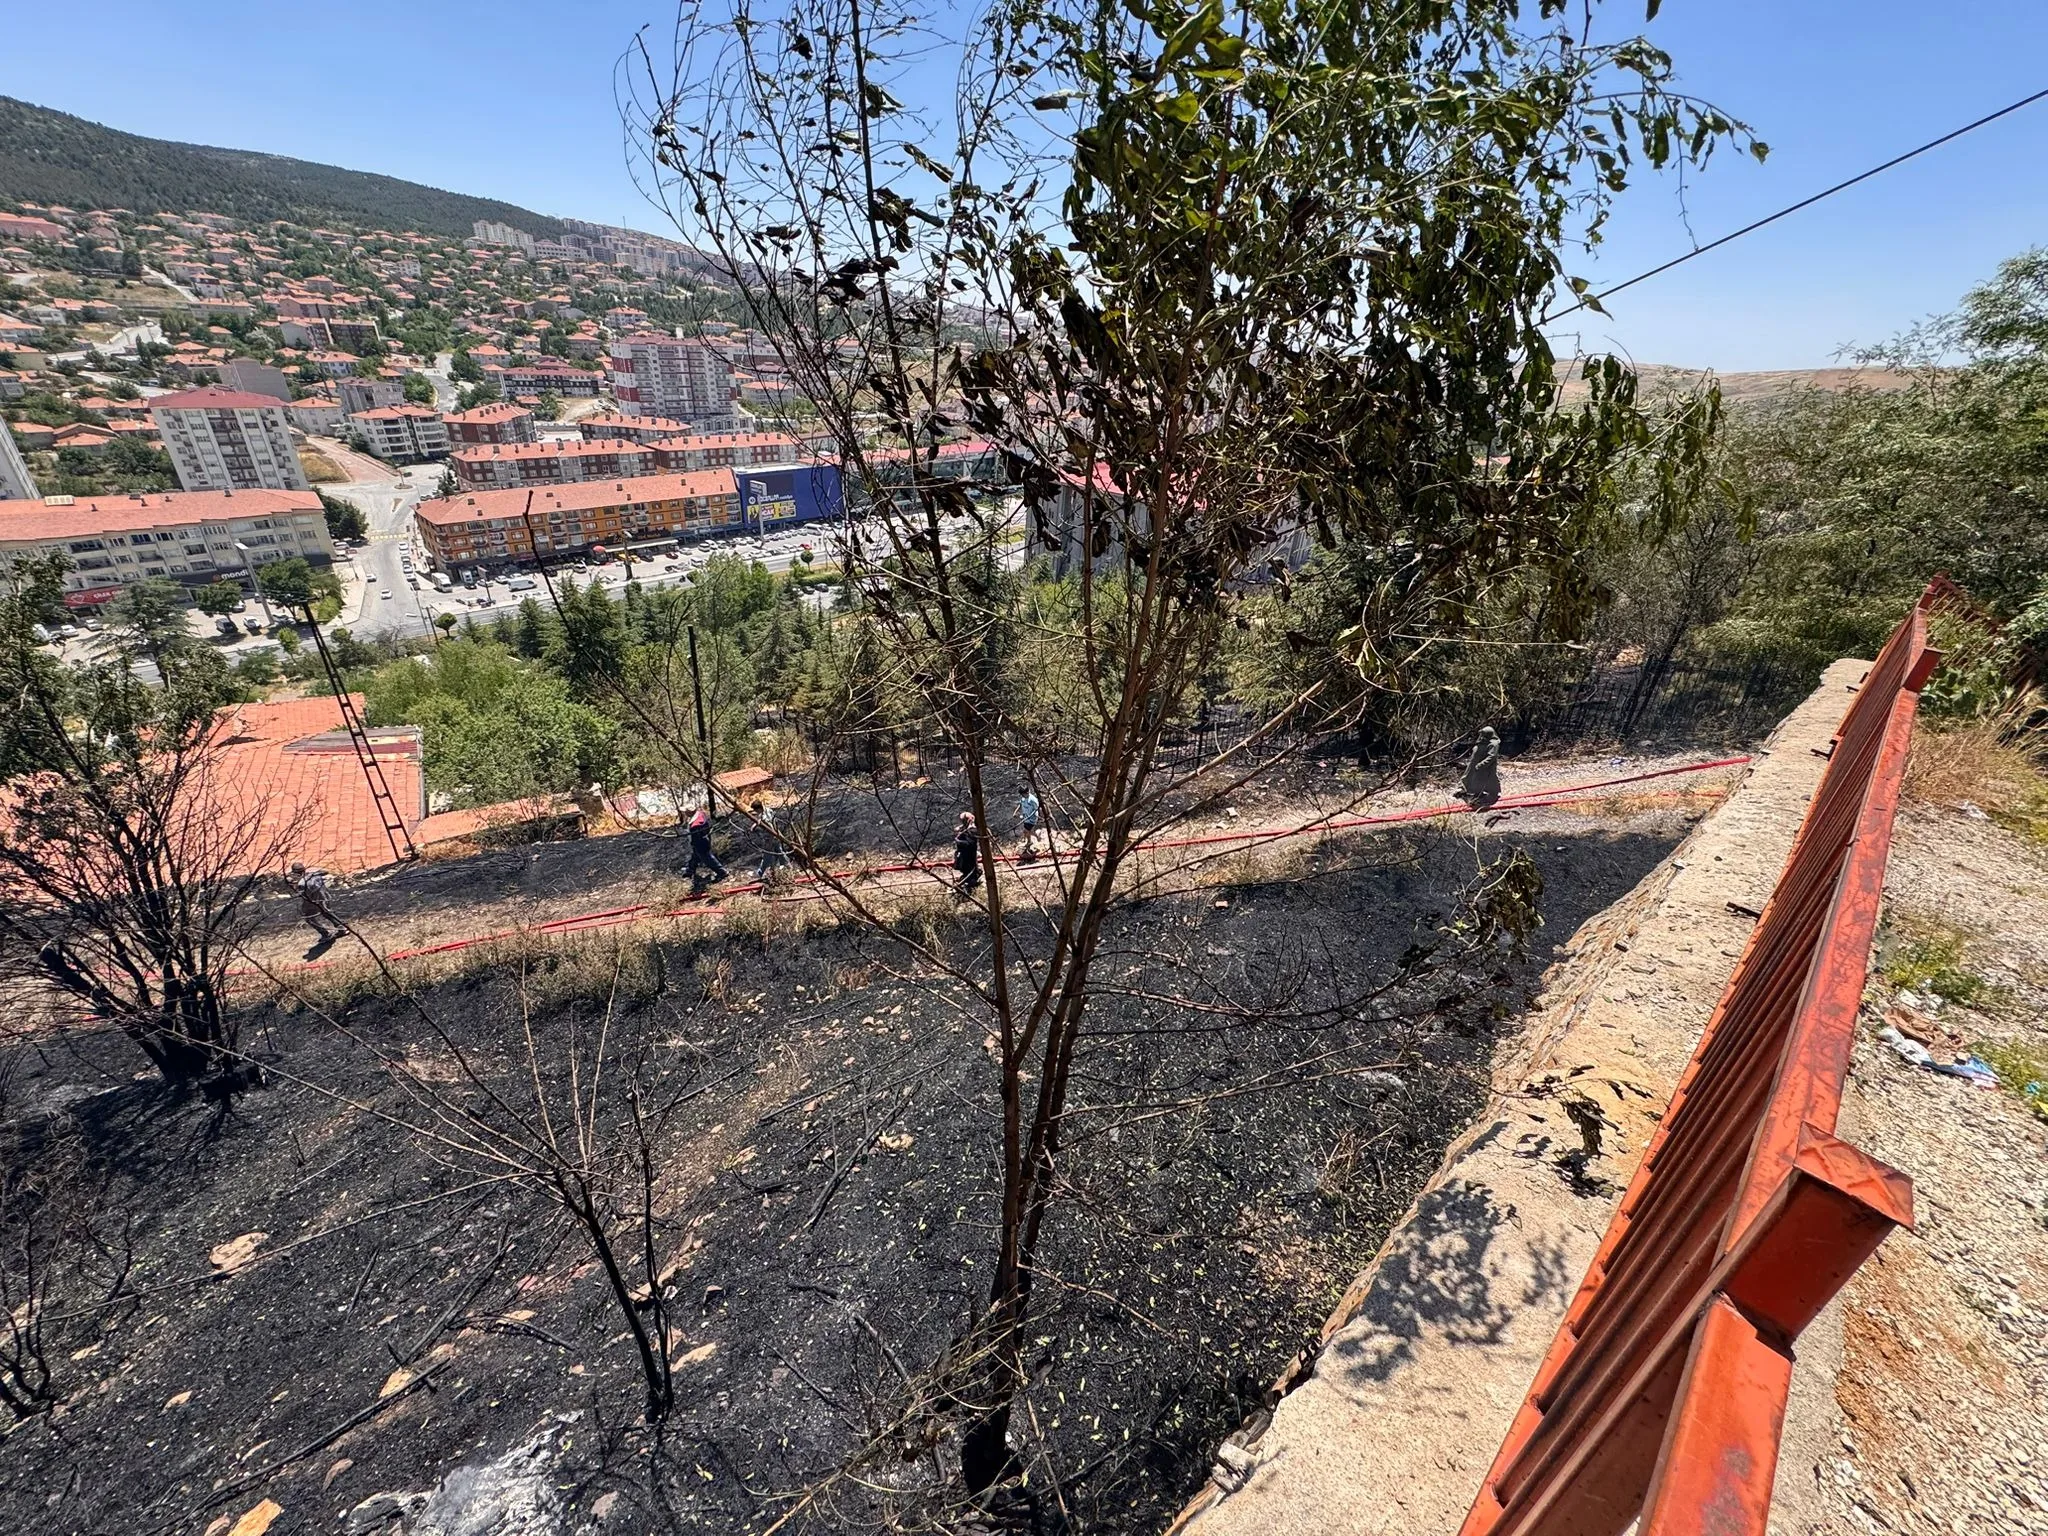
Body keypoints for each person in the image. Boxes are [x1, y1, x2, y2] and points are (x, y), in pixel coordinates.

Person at [290, 861, 343, 942]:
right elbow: (325, 871)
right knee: (327, 913)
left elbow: (303, 894)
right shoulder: (315, 875)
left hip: (313, 901)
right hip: (325, 897)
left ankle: (325, 934)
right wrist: (312, 873)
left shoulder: (302, 883)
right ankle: (342, 928)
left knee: (309, 918)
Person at [1460, 726, 1502, 810]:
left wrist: (1482, 764)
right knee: (1477, 779)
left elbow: (1491, 756)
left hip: (1488, 767)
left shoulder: (1493, 744)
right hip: (1477, 765)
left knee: (1491, 779)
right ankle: (1476, 793)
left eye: (1484, 735)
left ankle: (1493, 794)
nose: (1482, 736)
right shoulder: (1482, 741)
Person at [751, 798, 792, 886]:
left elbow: (769, 826)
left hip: (770, 837)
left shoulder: (764, 818)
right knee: (780, 852)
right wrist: (756, 824)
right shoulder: (768, 810)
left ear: (758, 809)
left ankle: (760, 873)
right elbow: (762, 819)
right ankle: (787, 867)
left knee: (767, 855)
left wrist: (770, 841)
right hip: (777, 835)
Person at [685, 805, 727, 883]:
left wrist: (693, 843)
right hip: (702, 841)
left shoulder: (696, 825)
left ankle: (721, 872)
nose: (684, 812)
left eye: (686, 811)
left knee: (707, 858)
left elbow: (696, 835)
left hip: (700, 844)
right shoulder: (700, 814)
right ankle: (690, 871)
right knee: (695, 857)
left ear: (690, 812)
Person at [953, 811, 983, 896]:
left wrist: (958, 841)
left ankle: (968, 891)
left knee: (974, 873)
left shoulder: (971, 831)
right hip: (963, 857)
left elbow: (970, 844)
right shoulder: (963, 830)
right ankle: (966, 890)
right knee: (969, 873)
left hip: (969, 856)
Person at [1017, 784, 1042, 858]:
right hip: (1026, 818)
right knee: (1026, 831)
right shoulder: (1023, 798)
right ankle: (1029, 841)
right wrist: (1016, 812)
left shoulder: (1032, 799)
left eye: (1024, 794)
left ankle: (1037, 836)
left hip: (1032, 818)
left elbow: (1036, 809)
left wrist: (1032, 815)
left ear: (1027, 792)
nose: (1023, 796)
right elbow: (1020, 804)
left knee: (1027, 831)